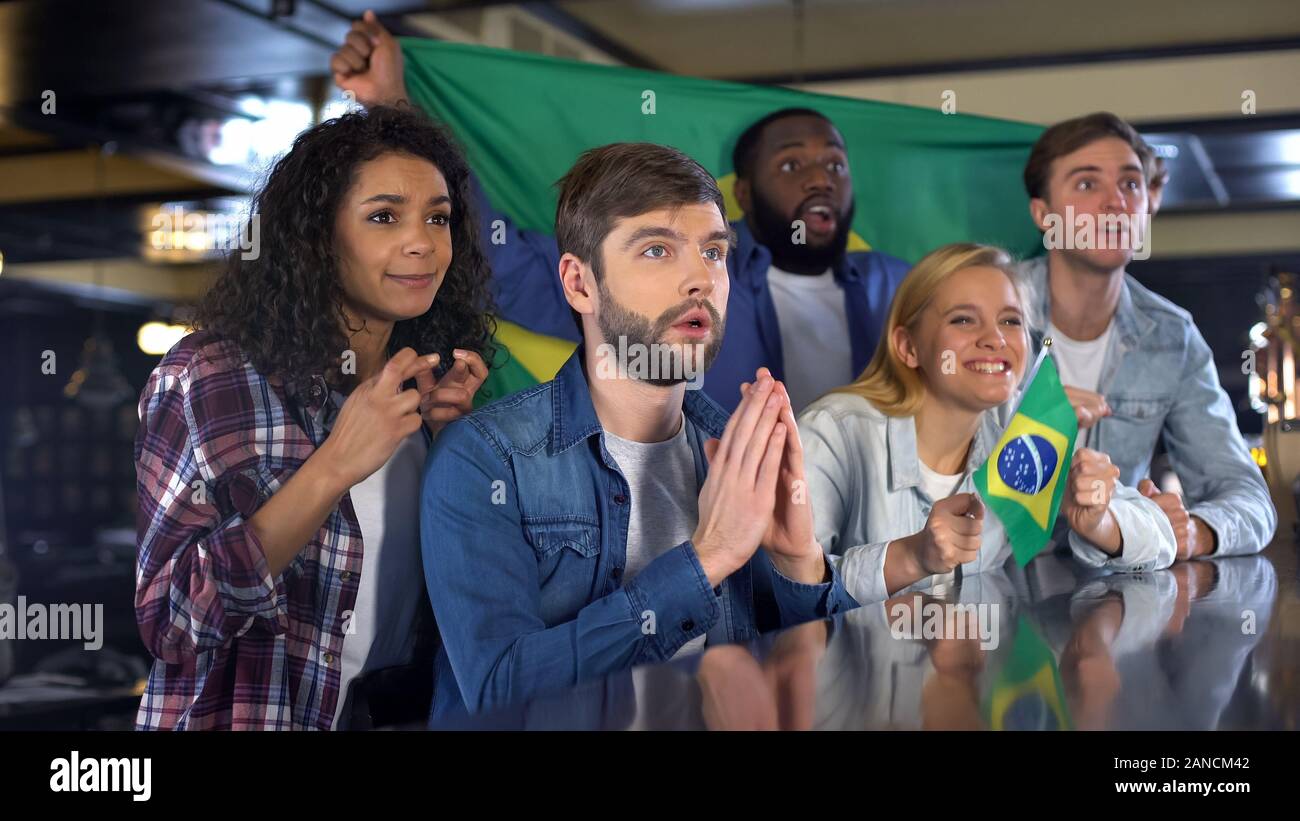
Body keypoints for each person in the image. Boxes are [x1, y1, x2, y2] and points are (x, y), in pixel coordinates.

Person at [420, 142, 856, 717]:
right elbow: (500, 694)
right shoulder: (485, 459)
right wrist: (707, 560)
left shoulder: (737, 447)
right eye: (657, 250)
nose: (700, 278)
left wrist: (801, 564)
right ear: (579, 285)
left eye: (714, 252)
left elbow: (824, 689)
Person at [330, 10, 909, 412]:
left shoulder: (903, 287)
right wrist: (392, 102)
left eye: (835, 164)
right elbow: (500, 265)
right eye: (790, 165)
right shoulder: (664, 282)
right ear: (746, 194)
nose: (819, 179)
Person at [133, 106, 492, 729]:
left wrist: (454, 450)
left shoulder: (429, 398)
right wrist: (332, 466)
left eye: (438, 217)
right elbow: (171, 626)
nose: (422, 242)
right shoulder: (209, 375)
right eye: (384, 217)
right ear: (317, 236)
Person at [798, 243, 1176, 605]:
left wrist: (1098, 522)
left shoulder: (1021, 430)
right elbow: (785, 591)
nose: (995, 339)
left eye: (1010, 320)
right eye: (963, 319)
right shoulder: (834, 431)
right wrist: (910, 557)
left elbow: (1162, 538)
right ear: (908, 347)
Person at [1016, 112, 1275, 559]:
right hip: (986, 594)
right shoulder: (983, 311)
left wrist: (1191, 532)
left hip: (1113, 594)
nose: (1115, 202)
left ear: (1148, 206)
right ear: (1043, 214)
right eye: (1086, 184)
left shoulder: (1174, 337)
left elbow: (1247, 497)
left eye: (1131, 184)